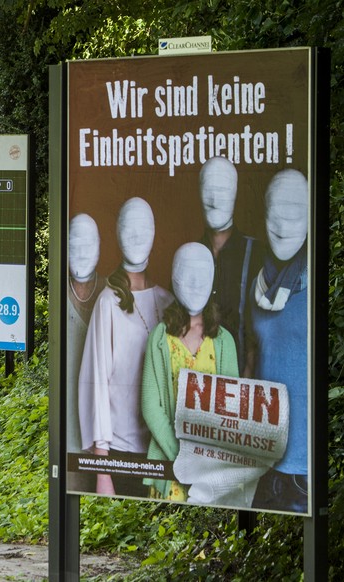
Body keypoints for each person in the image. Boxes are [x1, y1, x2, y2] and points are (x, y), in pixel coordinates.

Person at [79, 197, 173, 497]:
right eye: (128, 228)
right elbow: (97, 385)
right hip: (122, 452)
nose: (136, 236)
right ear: (117, 236)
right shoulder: (109, 302)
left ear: (155, 232)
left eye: (143, 227)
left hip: (161, 450)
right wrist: (102, 470)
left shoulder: (168, 302)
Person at [141, 243, 239, 500]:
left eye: (203, 274)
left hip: (211, 472)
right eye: (188, 274)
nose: (196, 283)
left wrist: (206, 462)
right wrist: (181, 458)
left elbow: (233, 410)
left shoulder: (224, 341)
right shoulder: (159, 338)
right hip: (169, 466)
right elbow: (151, 406)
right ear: (174, 278)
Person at [249, 169, 309, 513]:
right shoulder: (255, 279)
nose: (284, 226)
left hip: (306, 470)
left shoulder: (316, 282)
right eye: (277, 214)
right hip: (264, 463)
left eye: (295, 215)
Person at [198, 157, 264, 376]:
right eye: (209, 189)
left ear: (235, 193)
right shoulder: (191, 255)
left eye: (223, 190)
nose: (216, 199)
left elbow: (262, 329)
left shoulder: (256, 254)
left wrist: (247, 376)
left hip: (241, 383)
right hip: (197, 384)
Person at [66, 214, 103, 492]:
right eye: (73, 243)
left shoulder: (114, 294)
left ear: (100, 247)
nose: (81, 252)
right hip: (69, 437)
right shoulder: (59, 294)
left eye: (88, 244)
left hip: (108, 438)